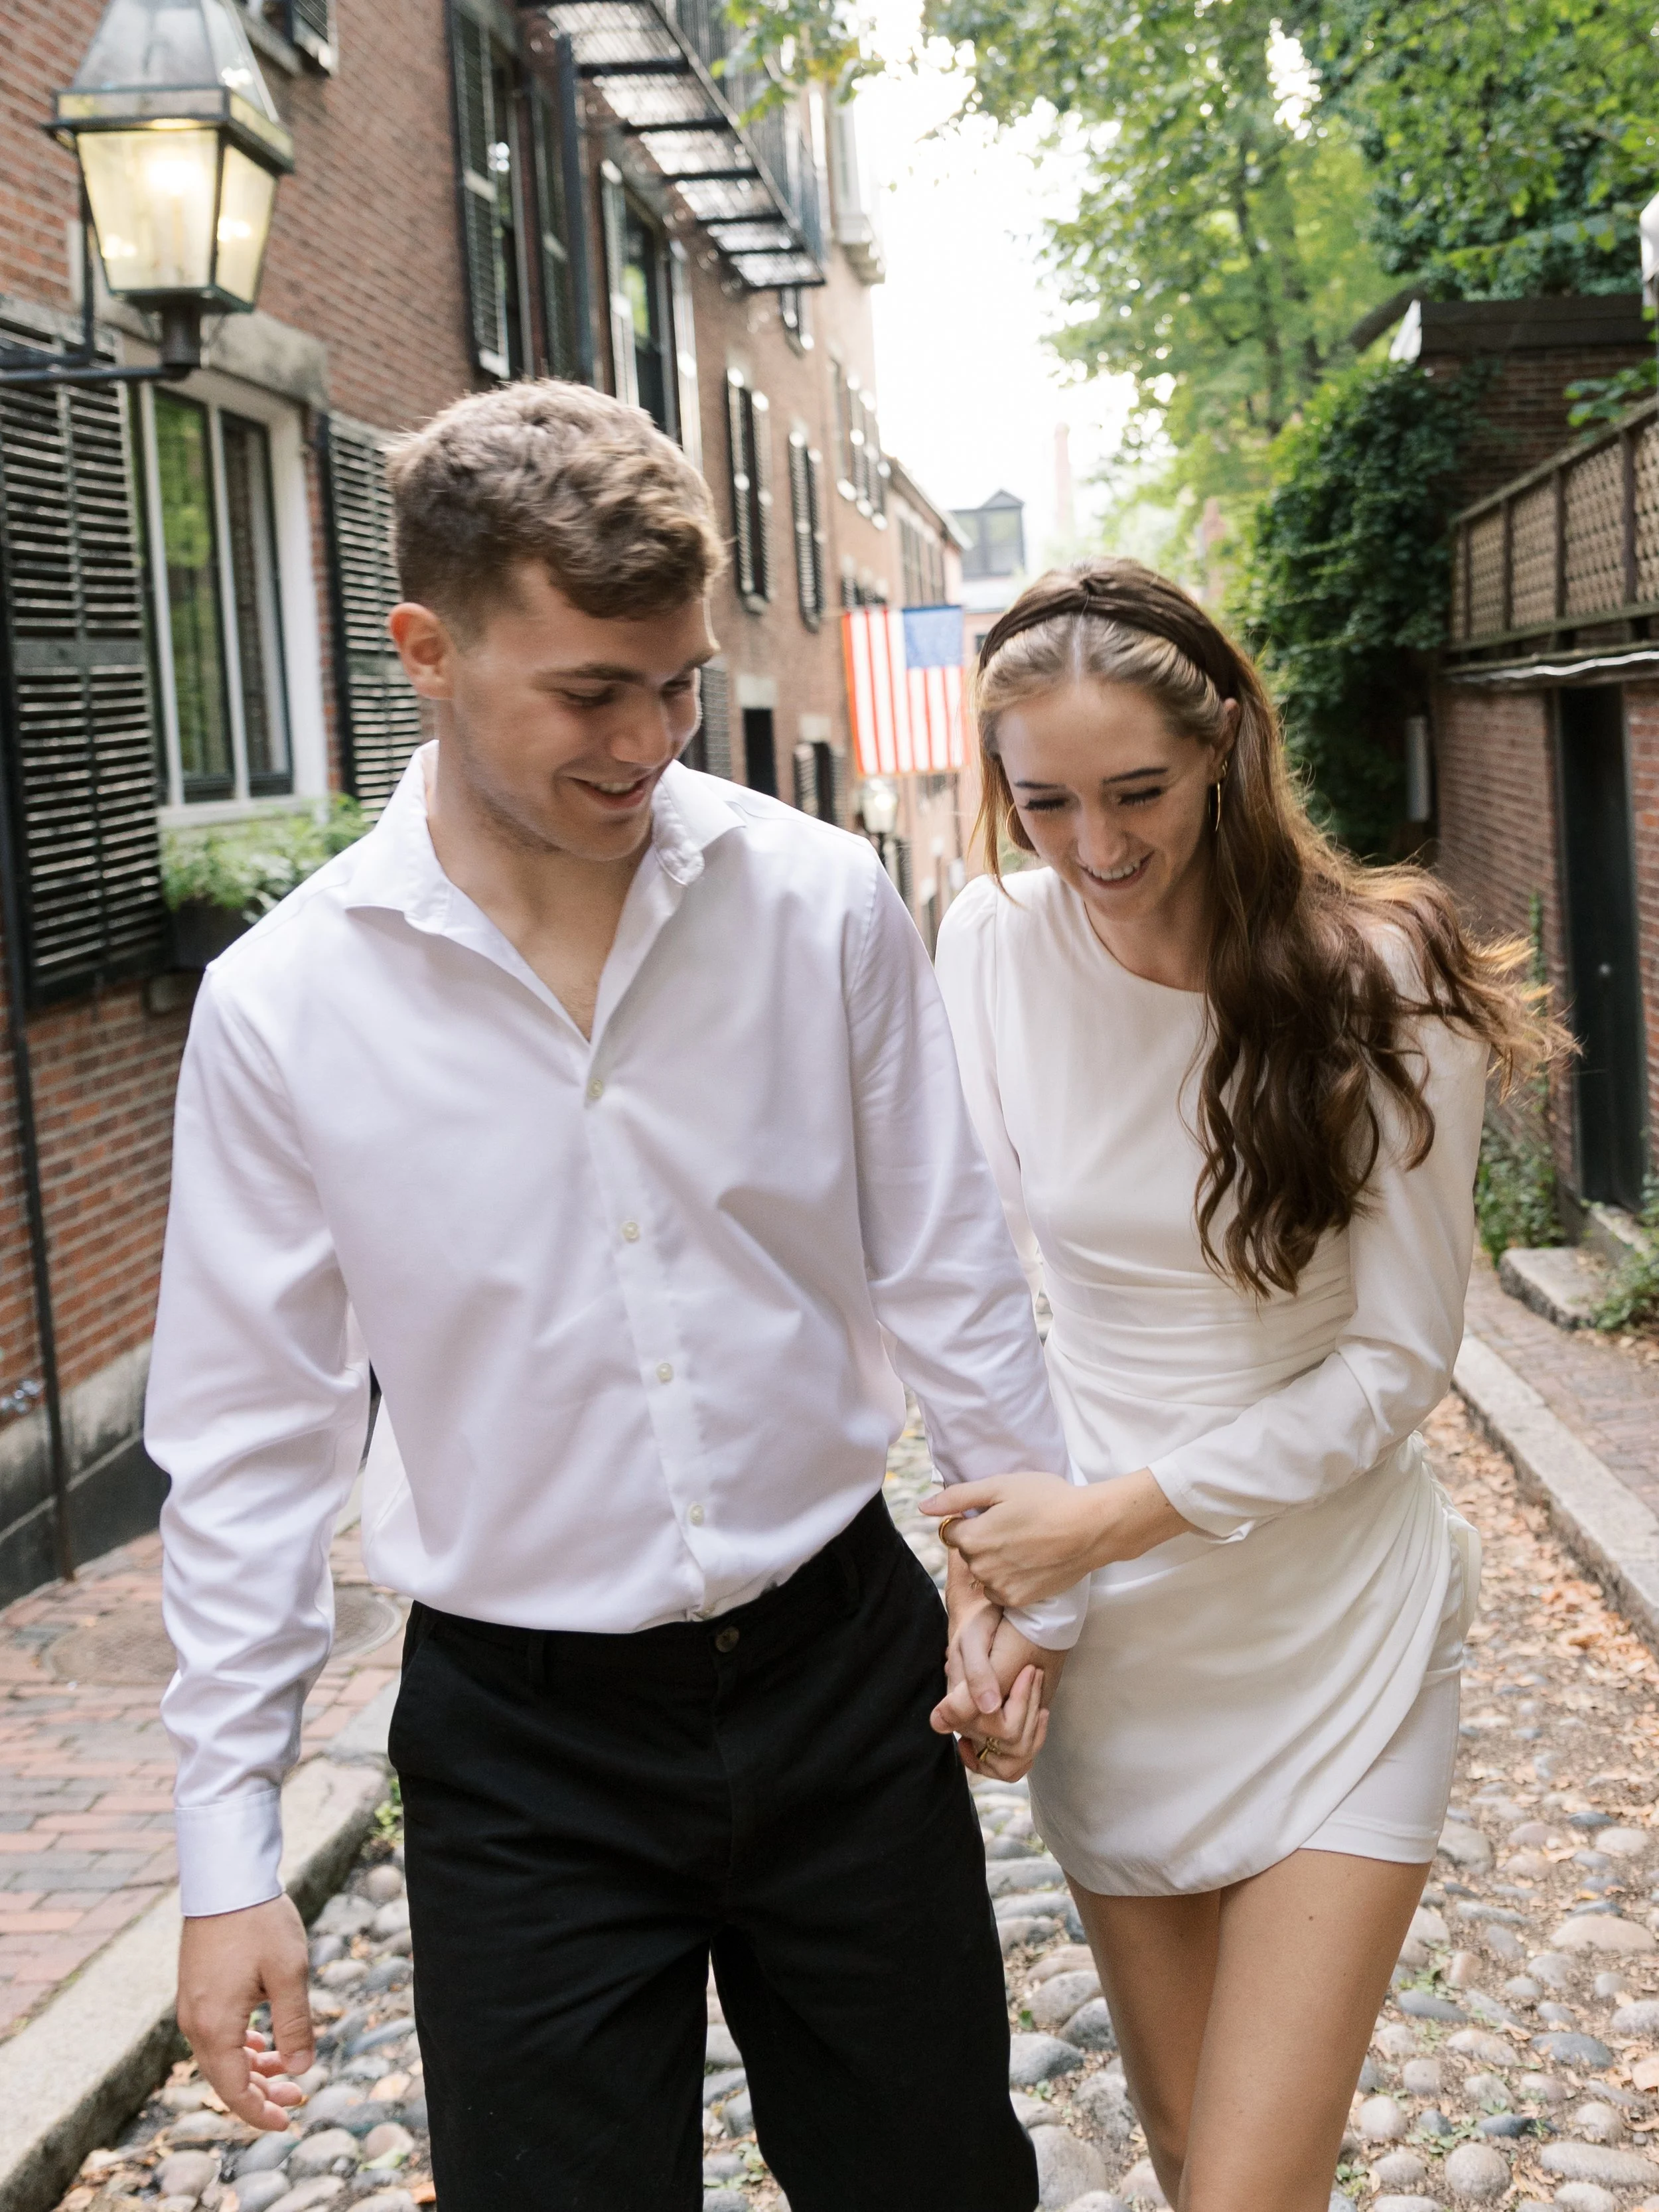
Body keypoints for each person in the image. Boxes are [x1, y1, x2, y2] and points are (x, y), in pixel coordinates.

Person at [147, 381, 1086, 2212]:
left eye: (677, 685)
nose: (650, 737)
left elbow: (950, 1264)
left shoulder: (817, 903)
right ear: (426, 644)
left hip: (842, 1672)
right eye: (592, 690)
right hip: (523, 1747)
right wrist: (225, 1851)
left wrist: (1019, 1573)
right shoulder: (281, 1008)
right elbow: (251, 1447)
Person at [921, 561, 1554, 2212]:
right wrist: (996, 1589)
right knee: (1194, 2149)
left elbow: (1398, 1360)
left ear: (1226, 748)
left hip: (1330, 1622)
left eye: (1136, 791)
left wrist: (1106, 1520)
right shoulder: (985, 942)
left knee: (1247, 2189)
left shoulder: (1378, 975)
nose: (1096, 848)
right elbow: (979, 1287)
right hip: (1122, 1652)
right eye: (1042, 802)